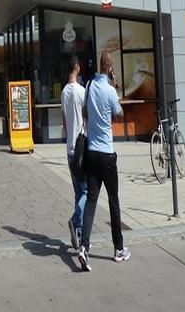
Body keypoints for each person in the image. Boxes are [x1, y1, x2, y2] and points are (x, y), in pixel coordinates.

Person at [78, 51, 130, 272]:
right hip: (107, 154)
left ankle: (84, 246)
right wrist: (116, 88)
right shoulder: (110, 91)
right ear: (110, 68)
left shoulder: (89, 86)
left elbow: (84, 112)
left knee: (91, 200)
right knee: (113, 201)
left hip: (91, 152)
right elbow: (119, 114)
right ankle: (119, 249)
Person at [61, 56, 87, 251]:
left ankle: (77, 234)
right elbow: (87, 117)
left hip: (70, 147)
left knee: (78, 191)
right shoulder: (81, 91)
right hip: (82, 148)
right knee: (85, 191)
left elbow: (64, 120)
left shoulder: (63, 92)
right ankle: (75, 220)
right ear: (76, 67)